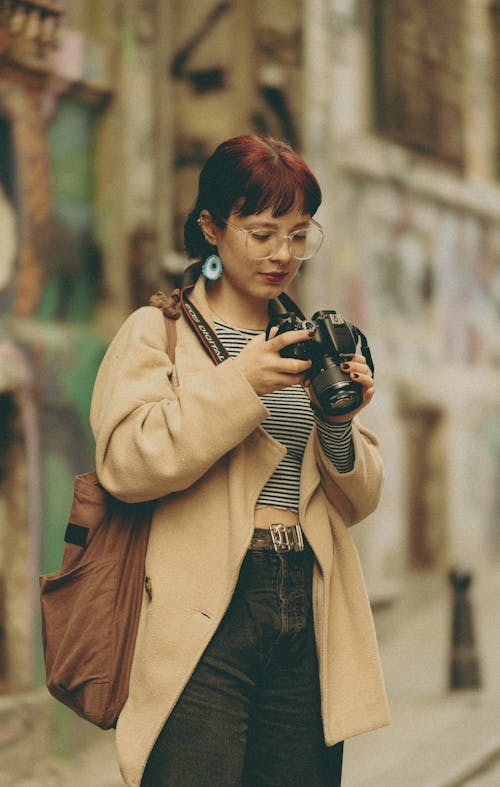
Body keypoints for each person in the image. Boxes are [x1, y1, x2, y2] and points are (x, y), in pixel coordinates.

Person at [90, 135, 389, 787]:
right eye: (261, 232)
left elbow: (358, 499)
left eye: (299, 234)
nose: (283, 253)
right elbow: (126, 462)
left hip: (304, 600)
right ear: (211, 228)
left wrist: (338, 425)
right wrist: (239, 382)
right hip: (200, 611)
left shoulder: (308, 340)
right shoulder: (157, 331)